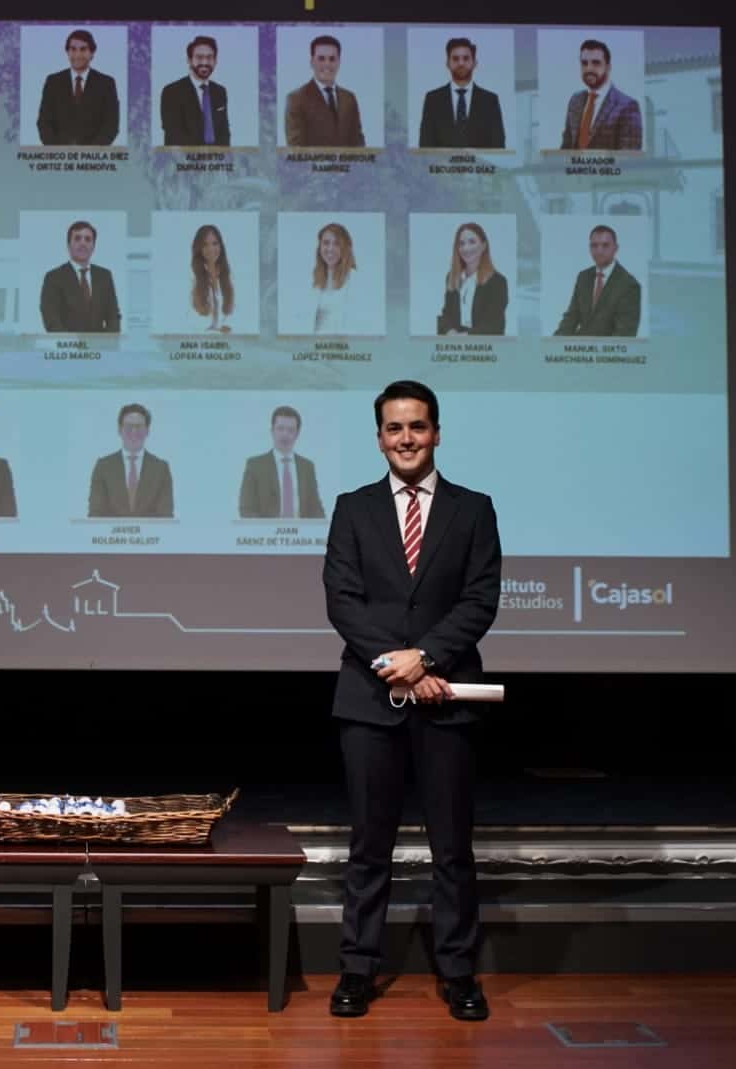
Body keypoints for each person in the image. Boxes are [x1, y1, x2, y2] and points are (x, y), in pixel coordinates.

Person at [321, 379, 501, 1023]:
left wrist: (425, 659)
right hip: (370, 700)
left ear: (437, 432)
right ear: (379, 438)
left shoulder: (474, 508)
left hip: (447, 697)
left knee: (452, 847)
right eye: (395, 429)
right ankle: (357, 970)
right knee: (370, 844)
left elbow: (480, 600)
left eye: (417, 427)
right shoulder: (352, 508)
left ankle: (458, 972)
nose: (406, 439)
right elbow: (342, 599)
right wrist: (396, 666)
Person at [553, 224, 641, 337]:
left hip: (607, 352)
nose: (599, 251)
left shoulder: (629, 285)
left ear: (615, 248)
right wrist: (553, 345)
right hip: (579, 349)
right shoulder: (583, 277)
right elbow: (571, 318)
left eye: (605, 245)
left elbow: (624, 334)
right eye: (594, 245)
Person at [418, 37, 506, 149]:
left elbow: (498, 145)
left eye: (466, 58)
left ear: (474, 63)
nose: (461, 63)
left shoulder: (490, 101)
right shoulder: (433, 100)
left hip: (481, 166)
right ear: (447, 63)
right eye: (455, 59)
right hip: (442, 166)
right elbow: (425, 145)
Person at [238, 406, 325, 519]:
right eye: (280, 428)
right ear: (272, 431)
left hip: (301, 535)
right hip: (265, 535)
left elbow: (316, 509)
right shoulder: (255, 465)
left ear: (297, 434)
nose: (285, 434)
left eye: (290, 430)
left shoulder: (307, 467)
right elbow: (246, 509)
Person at [87, 403, 173, 517]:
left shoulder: (161, 468)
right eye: (128, 426)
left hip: (151, 534)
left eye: (139, 426)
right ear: (119, 430)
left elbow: (165, 516)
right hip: (111, 535)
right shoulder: (103, 467)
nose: (134, 432)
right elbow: (95, 514)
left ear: (147, 431)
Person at [36, 29, 120, 145]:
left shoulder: (106, 83)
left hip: (94, 157)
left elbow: (111, 125)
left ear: (92, 53)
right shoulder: (53, 82)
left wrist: (89, 153)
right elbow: (44, 122)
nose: (77, 54)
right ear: (67, 52)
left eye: (83, 49)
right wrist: (56, 151)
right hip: (59, 156)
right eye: (73, 49)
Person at [558, 39, 642, 151]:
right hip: (575, 169)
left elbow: (628, 159)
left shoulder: (627, 106)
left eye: (596, 63)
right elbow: (566, 150)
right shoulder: (575, 101)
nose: (589, 68)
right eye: (584, 63)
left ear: (608, 67)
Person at [39, 221, 122, 333]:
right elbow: (51, 319)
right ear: (68, 245)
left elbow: (113, 317)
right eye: (77, 238)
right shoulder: (54, 277)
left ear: (93, 246)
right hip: (67, 348)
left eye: (88, 239)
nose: (83, 243)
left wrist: (107, 344)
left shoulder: (104, 276)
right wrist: (72, 345)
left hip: (100, 348)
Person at [283, 35, 365, 148]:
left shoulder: (349, 98)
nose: (327, 64)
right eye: (321, 58)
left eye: (332, 59)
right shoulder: (296, 99)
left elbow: (358, 142)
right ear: (312, 62)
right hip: (312, 165)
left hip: (347, 166)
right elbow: (295, 148)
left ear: (339, 62)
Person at [435, 222, 507, 336]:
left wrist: (468, 336)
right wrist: (449, 331)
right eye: (461, 243)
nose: (466, 248)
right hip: (455, 346)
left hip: (483, 348)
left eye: (472, 242)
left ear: (483, 246)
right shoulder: (452, 277)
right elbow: (446, 315)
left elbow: (495, 325)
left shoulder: (497, 282)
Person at [160, 35, 230, 147]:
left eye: (209, 57)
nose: (205, 62)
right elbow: (173, 135)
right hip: (184, 160)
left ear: (215, 61)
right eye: (199, 57)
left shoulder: (220, 91)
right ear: (189, 60)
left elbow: (224, 133)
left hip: (216, 161)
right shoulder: (171, 92)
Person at [306, 222, 356, 334]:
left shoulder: (355, 279)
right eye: (326, 243)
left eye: (337, 244)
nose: (330, 249)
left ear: (345, 248)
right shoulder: (314, 279)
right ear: (320, 247)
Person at [186, 224, 236, 333]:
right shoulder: (192, 277)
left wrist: (228, 327)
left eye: (215, 243)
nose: (211, 249)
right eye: (205, 245)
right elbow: (189, 320)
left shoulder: (229, 275)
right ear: (199, 248)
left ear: (221, 246)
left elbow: (236, 314)